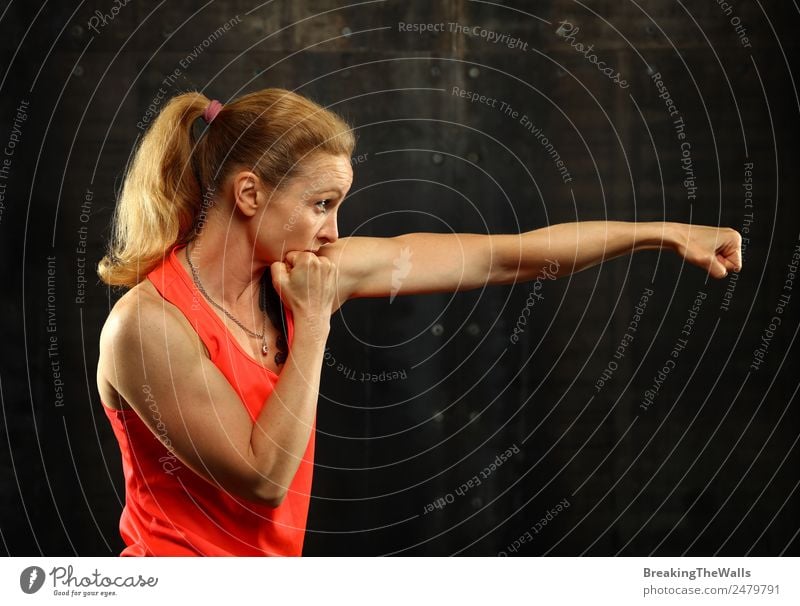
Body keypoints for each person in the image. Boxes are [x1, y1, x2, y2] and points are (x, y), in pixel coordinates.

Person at [96, 88, 742, 556]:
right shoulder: (148, 327)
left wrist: (663, 232)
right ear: (248, 194)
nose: (334, 231)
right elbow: (264, 481)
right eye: (321, 204)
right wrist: (314, 322)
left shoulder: (305, 270)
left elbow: (503, 260)